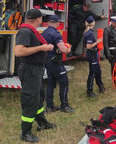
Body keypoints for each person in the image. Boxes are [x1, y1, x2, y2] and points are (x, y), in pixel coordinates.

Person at [15, 9, 56, 143]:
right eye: (41, 19)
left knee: (39, 96)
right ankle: (25, 132)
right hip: (29, 70)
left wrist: (45, 47)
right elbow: (19, 51)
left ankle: (42, 123)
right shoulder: (25, 31)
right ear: (37, 19)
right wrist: (41, 48)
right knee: (30, 99)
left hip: (36, 69)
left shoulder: (30, 31)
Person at [42, 15, 74, 113]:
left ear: (48, 22)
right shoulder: (56, 34)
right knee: (64, 82)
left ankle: (49, 106)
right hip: (55, 62)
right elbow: (63, 49)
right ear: (57, 23)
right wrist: (69, 48)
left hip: (47, 61)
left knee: (51, 83)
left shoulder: (44, 33)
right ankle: (64, 106)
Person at [84, 15, 105, 97]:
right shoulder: (89, 33)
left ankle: (101, 87)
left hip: (93, 54)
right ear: (93, 23)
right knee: (92, 73)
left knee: (98, 71)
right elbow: (88, 46)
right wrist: (98, 41)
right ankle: (89, 91)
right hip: (91, 54)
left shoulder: (88, 32)